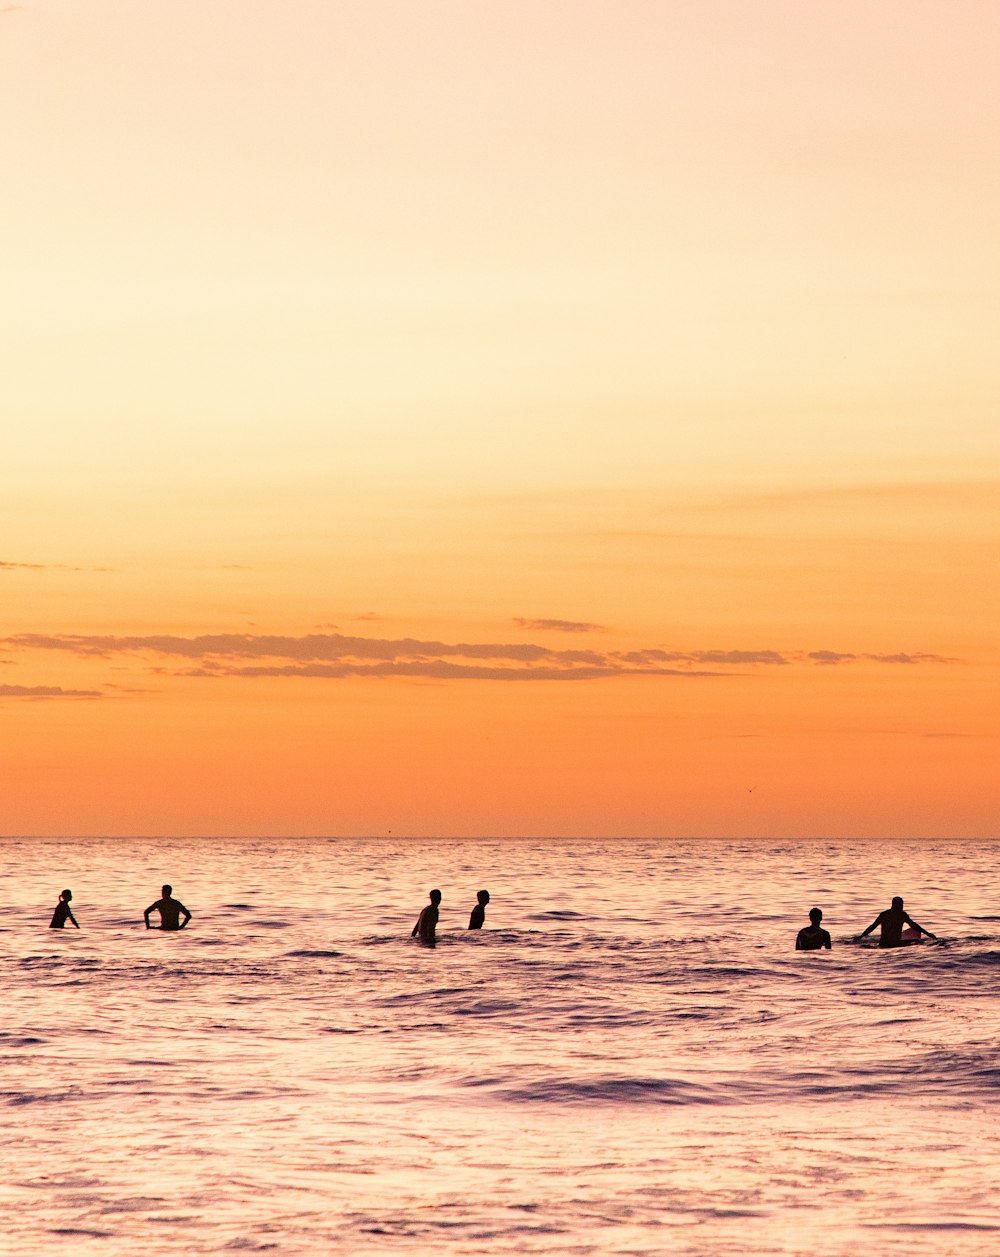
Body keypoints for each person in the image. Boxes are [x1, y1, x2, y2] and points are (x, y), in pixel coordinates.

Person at [857, 896, 936, 948]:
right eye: (900, 904)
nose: (902, 906)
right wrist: (927, 933)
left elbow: (872, 927)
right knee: (917, 941)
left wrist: (861, 937)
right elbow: (913, 925)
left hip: (883, 944)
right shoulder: (902, 914)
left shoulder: (884, 914)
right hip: (896, 944)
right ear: (894, 904)